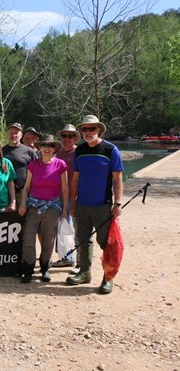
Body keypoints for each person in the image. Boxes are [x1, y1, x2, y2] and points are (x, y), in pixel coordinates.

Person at [67, 115, 124, 294]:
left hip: (103, 205)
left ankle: (108, 277)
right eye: (85, 129)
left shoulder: (110, 150)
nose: (88, 132)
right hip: (82, 204)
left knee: (105, 241)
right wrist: (73, 202)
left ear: (99, 130)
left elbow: (118, 179)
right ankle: (84, 272)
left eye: (92, 128)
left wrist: (117, 204)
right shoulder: (80, 150)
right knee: (83, 240)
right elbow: (75, 179)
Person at [18, 134, 69, 284]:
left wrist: (64, 209)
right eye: (44, 145)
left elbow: (65, 190)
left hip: (53, 206)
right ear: (39, 148)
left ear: (54, 149)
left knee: (48, 238)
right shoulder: (33, 165)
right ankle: (28, 269)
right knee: (28, 238)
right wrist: (22, 203)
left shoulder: (61, 165)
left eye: (50, 146)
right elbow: (26, 187)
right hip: (34, 205)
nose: (47, 148)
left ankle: (45, 268)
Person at [51, 123, 81, 269]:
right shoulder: (58, 154)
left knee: (78, 229)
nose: (67, 139)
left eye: (70, 136)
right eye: (64, 136)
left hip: (77, 196)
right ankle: (66, 257)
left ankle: (80, 261)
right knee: (62, 227)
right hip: (60, 196)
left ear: (75, 138)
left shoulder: (80, 152)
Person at [2, 122, 38, 207]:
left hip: (23, 192)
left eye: (16, 133)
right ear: (7, 135)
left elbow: (37, 171)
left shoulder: (29, 151)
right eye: (11, 133)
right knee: (4, 218)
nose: (13, 135)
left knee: (22, 217)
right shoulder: (0, 151)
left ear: (21, 135)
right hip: (3, 191)